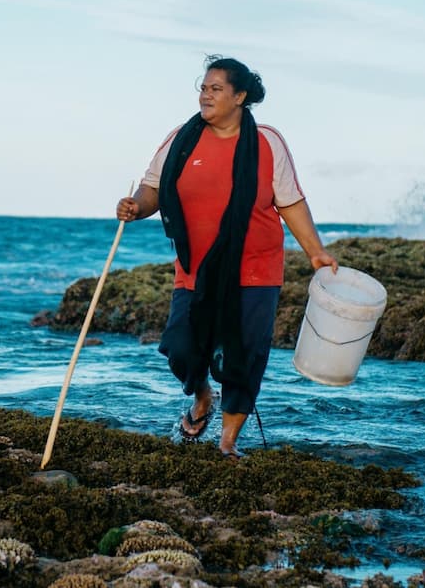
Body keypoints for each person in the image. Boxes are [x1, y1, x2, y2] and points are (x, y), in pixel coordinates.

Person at [116, 55, 337, 457]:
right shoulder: (181, 139)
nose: (206, 94)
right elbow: (152, 188)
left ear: (240, 96)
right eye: (203, 87)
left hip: (254, 270)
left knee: (244, 355)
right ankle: (202, 397)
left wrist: (316, 252)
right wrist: (135, 206)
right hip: (195, 269)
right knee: (181, 347)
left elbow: (290, 203)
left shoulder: (268, 142)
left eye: (216, 88)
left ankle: (228, 443)